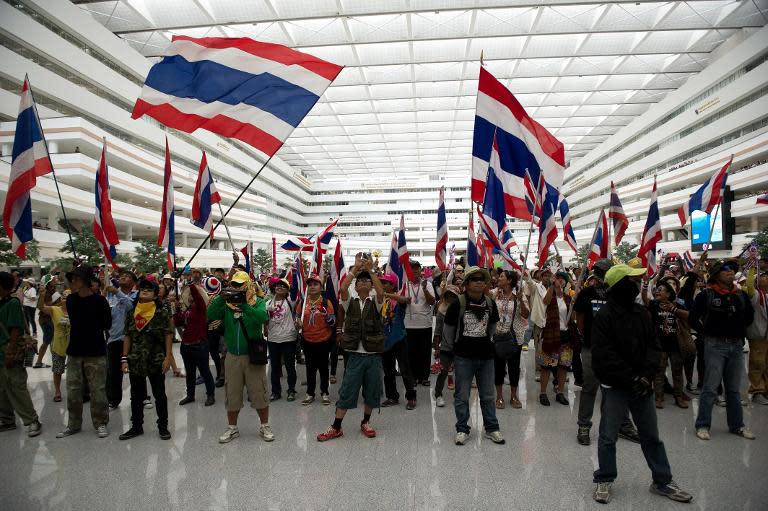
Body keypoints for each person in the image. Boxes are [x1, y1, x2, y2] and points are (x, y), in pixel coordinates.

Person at [591, 264, 692, 504]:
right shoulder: (604, 316)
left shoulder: (642, 313)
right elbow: (604, 356)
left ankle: (662, 480)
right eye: (633, 281)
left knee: (650, 436)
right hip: (616, 387)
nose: (638, 285)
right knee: (608, 436)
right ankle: (604, 478)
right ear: (619, 286)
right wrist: (633, 378)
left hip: (642, 386)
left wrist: (647, 375)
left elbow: (654, 347)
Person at [316, 254, 384, 442]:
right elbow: (343, 287)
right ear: (356, 285)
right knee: (347, 390)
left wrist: (370, 271)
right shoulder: (349, 301)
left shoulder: (376, 303)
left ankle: (366, 422)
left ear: (370, 285)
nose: (363, 283)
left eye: (366, 281)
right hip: (354, 354)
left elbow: (381, 292)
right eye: (359, 281)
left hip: (373, 355)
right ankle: (336, 426)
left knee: (372, 391)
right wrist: (355, 269)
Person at [573, 259, 639, 446]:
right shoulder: (586, 293)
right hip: (592, 348)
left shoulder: (618, 295)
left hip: (615, 349)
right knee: (590, 387)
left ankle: (621, 425)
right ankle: (584, 425)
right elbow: (580, 318)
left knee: (616, 388)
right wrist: (587, 337)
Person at [690, 259, 755, 441]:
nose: (729, 272)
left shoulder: (740, 295)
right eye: (725, 270)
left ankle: (737, 426)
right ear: (717, 275)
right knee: (710, 388)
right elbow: (693, 317)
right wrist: (705, 334)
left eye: (731, 270)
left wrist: (737, 330)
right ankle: (702, 425)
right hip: (714, 346)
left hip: (736, 346)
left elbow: (749, 316)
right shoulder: (706, 295)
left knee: (733, 390)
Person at [208, 271, 273, 443]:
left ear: (248, 285)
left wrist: (244, 306)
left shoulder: (258, 302)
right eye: (234, 285)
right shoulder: (227, 304)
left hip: (252, 355)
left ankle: (264, 425)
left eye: (240, 285)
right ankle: (232, 428)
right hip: (232, 356)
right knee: (232, 393)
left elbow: (262, 317)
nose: (237, 288)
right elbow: (211, 315)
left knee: (259, 391)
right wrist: (222, 298)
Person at [442, 266, 504, 446]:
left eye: (481, 279)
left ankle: (492, 428)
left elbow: (492, 329)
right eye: (475, 279)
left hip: (486, 357)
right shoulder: (458, 304)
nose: (479, 282)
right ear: (467, 284)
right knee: (461, 395)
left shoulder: (490, 304)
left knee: (488, 395)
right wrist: (456, 349)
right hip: (463, 357)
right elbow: (448, 332)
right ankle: (462, 428)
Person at [57, 265, 112, 439]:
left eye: (77, 278)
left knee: (98, 391)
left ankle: (100, 422)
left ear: (87, 281)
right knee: (73, 390)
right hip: (74, 351)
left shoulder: (100, 301)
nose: (73, 281)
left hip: (95, 352)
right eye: (72, 278)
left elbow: (107, 324)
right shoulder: (71, 300)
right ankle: (73, 423)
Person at [119, 279, 175, 440]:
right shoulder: (132, 313)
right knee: (136, 396)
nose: (144, 291)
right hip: (135, 359)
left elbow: (168, 334)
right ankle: (136, 426)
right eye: (142, 289)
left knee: (159, 395)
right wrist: (124, 359)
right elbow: (127, 336)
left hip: (156, 359)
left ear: (156, 294)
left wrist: (168, 358)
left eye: (149, 290)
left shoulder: (161, 312)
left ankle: (163, 427)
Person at [0, 271, 42, 437]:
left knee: (16, 386)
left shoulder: (13, 303)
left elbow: (16, 328)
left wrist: (10, 352)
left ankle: (32, 420)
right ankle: (7, 419)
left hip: (10, 351)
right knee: (2, 388)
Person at [644, 280, 689, 409]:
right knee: (659, 372)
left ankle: (679, 397)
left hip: (675, 345)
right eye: (657, 289)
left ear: (668, 294)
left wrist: (674, 310)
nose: (657, 291)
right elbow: (644, 299)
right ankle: (658, 398)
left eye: (661, 289)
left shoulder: (677, 305)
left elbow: (688, 316)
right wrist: (645, 285)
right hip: (660, 346)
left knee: (678, 372)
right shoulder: (654, 305)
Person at [175, 278, 215, 407]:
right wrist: (176, 310)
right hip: (186, 345)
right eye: (190, 295)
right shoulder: (187, 310)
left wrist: (192, 285)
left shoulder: (201, 308)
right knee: (190, 372)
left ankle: (210, 395)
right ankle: (190, 395)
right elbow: (178, 322)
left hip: (199, 345)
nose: (192, 296)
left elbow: (198, 297)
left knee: (205, 371)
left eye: (193, 295)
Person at [538, 271, 575, 406]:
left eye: (562, 280)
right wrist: (553, 286)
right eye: (557, 279)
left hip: (565, 336)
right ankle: (543, 393)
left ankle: (560, 392)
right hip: (551, 335)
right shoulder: (551, 296)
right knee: (547, 365)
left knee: (563, 366)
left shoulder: (568, 298)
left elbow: (571, 319)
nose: (560, 281)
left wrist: (574, 307)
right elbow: (545, 301)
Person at [492, 270, 528, 409]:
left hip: (514, 337)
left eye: (501, 277)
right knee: (498, 367)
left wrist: (521, 301)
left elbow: (525, 315)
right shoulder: (494, 293)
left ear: (509, 280)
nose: (498, 278)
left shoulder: (519, 295)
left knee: (514, 368)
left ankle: (514, 396)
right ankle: (499, 396)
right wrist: (495, 296)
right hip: (497, 336)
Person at [380, 273, 417, 409]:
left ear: (392, 285)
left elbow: (406, 300)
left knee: (405, 370)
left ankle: (411, 397)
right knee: (388, 371)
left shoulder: (397, 301)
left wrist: (386, 295)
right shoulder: (381, 301)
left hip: (399, 339)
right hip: (385, 341)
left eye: (386, 283)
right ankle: (392, 396)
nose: (383, 285)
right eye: (382, 283)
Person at [298, 273, 335, 405]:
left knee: (324, 367)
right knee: (310, 368)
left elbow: (333, 323)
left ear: (321, 287)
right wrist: (298, 323)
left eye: (315, 284)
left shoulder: (326, 302)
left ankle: (325, 392)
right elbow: (297, 318)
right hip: (307, 340)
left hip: (323, 340)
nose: (312, 287)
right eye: (310, 284)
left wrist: (327, 316)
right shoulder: (303, 303)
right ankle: (310, 393)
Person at [105, 270, 138, 409]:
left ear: (133, 282)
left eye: (127, 276)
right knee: (113, 373)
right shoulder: (110, 296)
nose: (123, 277)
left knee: (136, 372)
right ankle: (113, 399)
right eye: (122, 276)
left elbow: (131, 308)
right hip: (114, 339)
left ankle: (140, 397)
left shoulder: (136, 295)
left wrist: (117, 292)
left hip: (131, 339)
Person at [265, 278, 298, 402]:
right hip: (273, 339)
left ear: (287, 290)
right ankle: (275, 391)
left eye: (283, 286)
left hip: (288, 338)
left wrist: (297, 273)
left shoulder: (290, 301)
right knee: (275, 367)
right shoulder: (268, 303)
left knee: (290, 366)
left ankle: (291, 390)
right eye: (278, 285)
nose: (279, 287)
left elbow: (297, 289)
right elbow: (266, 319)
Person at [404, 261, 436, 387]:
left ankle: (423, 376)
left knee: (424, 351)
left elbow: (432, 301)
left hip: (425, 324)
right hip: (408, 324)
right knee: (410, 352)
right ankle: (412, 376)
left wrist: (424, 289)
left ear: (420, 271)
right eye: (412, 270)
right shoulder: (405, 285)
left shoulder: (427, 284)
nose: (415, 272)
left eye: (417, 270)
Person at [37, 288, 70, 402]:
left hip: (73, 347)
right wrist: (41, 296)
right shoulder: (54, 309)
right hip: (57, 346)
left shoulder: (77, 310)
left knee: (74, 371)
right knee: (57, 370)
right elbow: (41, 307)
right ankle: (57, 391)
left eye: (68, 295)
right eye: (63, 295)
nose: (65, 296)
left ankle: (74, 390)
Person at [433, 285, 460, 407]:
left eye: (453, 296)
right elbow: (438, 330)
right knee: (443, 371)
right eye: (448, 295)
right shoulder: (441, 310)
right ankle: (438, 394)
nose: (451, 298)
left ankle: (459, 396)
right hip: (445, 346)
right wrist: (436, 348)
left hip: (459, 345)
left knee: (461, 372)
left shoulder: (461, 310)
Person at [745, 268, 768, 404]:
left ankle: (765, 389)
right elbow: (748, 285)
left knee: (766, 364)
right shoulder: (756, 296)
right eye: (762, 277)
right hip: (759, 335)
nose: (765, 277)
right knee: (757, 363)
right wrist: (752, 269)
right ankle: (756, 390)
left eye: (765, 276)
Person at [203, 276, 225, 387]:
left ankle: (220, 375)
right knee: (218, 353)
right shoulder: (217, 297)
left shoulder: (207, 297)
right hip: (215, 327)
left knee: (216, 352)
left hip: (213, 327)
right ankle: (220, 375)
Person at [33, 275, 55, 369]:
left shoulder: (50, 291)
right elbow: (42, 306)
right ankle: (38, 362)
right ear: (48, 282)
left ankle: (54, 360)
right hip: (47, 320)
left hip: (47, 320)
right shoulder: (46, 293)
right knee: (47, 341)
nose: (55, 280)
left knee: (50, 341)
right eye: (53, 280)